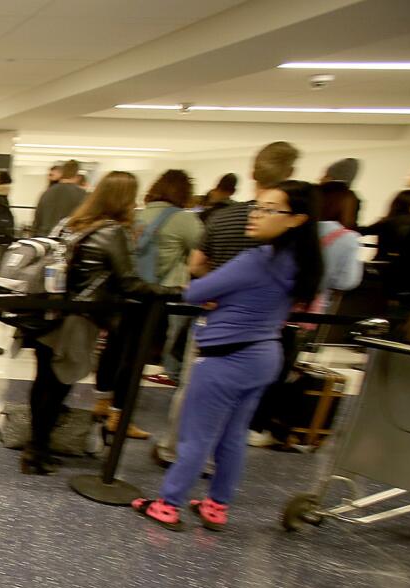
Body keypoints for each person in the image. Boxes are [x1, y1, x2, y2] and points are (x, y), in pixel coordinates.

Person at [133, 181, 323, 531]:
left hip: (225, 358)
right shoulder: (299, 261)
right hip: (264, 355)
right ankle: (216, 505)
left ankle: (168, 504)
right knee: (233, 437)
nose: (256, 215)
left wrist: (216, 295)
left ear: (296, 219)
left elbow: (197, 291)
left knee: (197, 436)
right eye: (258, 206)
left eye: (270, 209)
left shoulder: (258, 260)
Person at [154, 141, 300, 466]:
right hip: (263, 330)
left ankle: (175, 453)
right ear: (290, 175)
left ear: (253, 173)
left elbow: (196, 265)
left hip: (216, 319)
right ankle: (211, 468)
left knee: (194, 390)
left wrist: (217, 288)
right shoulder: (293, 236)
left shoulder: (225, 218)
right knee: (238, 411)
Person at [21, 171, 177, 474]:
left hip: (48, 311)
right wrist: (172, 291)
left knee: (44, 382)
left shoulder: (72, 223)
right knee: (58, 385)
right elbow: (129, 282)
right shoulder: (112, 231)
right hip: (77, 320)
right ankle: (36, 449)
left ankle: (35, 446)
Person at [135, 169, 203, 388]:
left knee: (132, 345)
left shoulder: (139, 215)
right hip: (171, 289)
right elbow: (203, 251)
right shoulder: (184, 218)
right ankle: (172, 373)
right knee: (175, 338)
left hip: (138, 288)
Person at [32, 159, 86, 236]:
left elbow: (37, 220)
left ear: (63, 173)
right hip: (66, 239)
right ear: (76, 174)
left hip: (44, 238)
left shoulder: (47, 192)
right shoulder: (82, 194)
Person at [320, 157, 361, 229]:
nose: (320, 178)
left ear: (332, 178)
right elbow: (351, 227)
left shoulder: (315, 194)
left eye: (326, 175)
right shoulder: (352, 198)